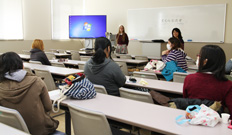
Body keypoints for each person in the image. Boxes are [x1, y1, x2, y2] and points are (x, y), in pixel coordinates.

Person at [0, 52, 59, 135]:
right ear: (21, 65)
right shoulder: (37, 81)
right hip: (39, 130)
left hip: (12, 130)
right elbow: (48, 107)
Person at [183, 45, 232, 118]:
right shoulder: (227, 84)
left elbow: (186, 101)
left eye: (199, 56)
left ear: (205, 61)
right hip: (215, 122)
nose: (197, 58)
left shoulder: (189, 78)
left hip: (192, 119)